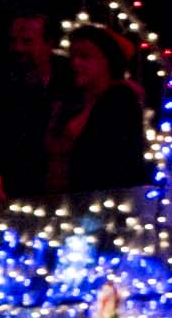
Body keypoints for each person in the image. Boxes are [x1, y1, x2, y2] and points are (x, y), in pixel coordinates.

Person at [44, 24, 151, 199]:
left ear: (108, 60)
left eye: (85, 57)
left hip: (103, 201)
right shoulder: (69, 100)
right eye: (73, 56)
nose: (75, 63)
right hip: (65, 201)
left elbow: (110, 161)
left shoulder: (120, 98)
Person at [0, 10, 62, 201]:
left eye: (27, 41)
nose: (18, 48)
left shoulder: (69, 81)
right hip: (10, 189)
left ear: (49, 44)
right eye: (13, 41)